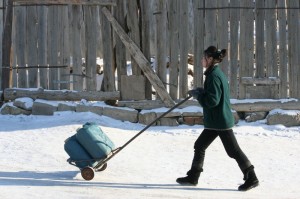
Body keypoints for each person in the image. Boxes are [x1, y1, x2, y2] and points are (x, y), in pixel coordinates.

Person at [176, 46, 259, 191]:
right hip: (215, 121)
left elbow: (213, 101)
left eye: (203, 58)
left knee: (233, 151)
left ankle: (252, 178)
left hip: (220, 122)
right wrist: (202, 91)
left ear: (210, 59)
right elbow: (214, 95)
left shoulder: (213, 76)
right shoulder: (214, 73)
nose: (202, 60)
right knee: (200, 145)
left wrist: (199, 96)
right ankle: (193, 177)